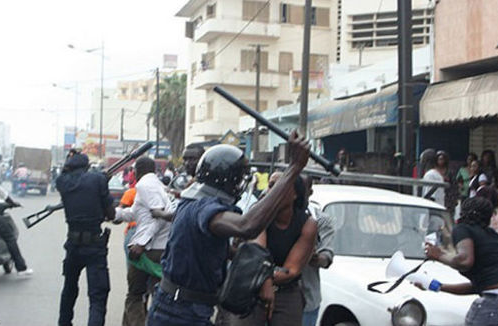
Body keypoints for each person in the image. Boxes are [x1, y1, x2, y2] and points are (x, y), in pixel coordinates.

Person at [147, 131, 311, 325]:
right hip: (181, 311)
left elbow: (211, 250)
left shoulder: (193, 202)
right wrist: (294, 168)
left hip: (182, 306)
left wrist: (258, 267)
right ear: (229, 180)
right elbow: (247, 226)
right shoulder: (205, 208)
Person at [230, 174, 318, 326]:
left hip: (286, 290)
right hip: (251, 287)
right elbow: (258, 253)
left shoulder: (307, 224)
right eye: (271, 186)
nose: (272, 191)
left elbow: (291, 269)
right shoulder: (258, 214)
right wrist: (264, 282)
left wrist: (267, 280)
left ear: (295, 194)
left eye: (280, 187)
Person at [422, 197, 498, 325]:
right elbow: (480, 286)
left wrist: (439, 255)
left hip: (494, 304)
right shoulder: (494, 237)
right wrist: (438, 287)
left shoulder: (463, 228)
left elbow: (465, 260)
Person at [56, 152, 115, 326]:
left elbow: (73, 182)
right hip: (94, 246)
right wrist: (102, 182)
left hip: (73, 245)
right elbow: (110, 214)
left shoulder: (62, 182)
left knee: (69, 289)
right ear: (87, 166)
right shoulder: (97, 180)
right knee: (98, 295)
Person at [115, 157, 171, 326]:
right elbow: (138, 213)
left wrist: (142, 243)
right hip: (160, 249)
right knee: (157, 295)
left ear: (137, 171)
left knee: (135, 295)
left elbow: (159, 216)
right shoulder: (157, 186)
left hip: (149, 250)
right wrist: (115, 214)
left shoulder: (144, 185)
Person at [300, 179, 335, 326]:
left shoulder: (320, 220)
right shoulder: (275, 214)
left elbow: (326, 256)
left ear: (310, 192)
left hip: (306, 299)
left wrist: (313, 257)